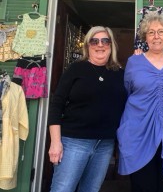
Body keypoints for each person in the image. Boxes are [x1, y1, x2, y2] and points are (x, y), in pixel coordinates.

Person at [48, 26, 127, 192]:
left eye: (105, 41)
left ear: (111, 45)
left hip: (105, 144)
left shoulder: (120, 73)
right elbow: (57, 104)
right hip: (74, 142)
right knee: (63, 189)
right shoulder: (76, 69)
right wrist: (55, 142)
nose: (100, 45)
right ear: (87, 45)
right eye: (94, 41)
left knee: (91, 189)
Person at [117, 12, 163, 192]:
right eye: (151, 32)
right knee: (142, 187)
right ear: (145, 37)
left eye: (161, 32)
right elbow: (127, 93)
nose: (156, 36)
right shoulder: (134, 62)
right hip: (138, 135)